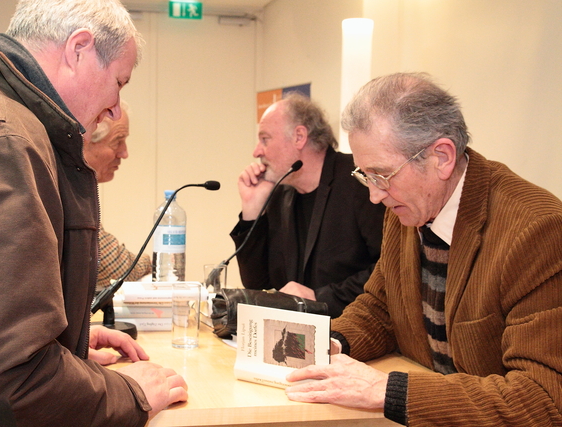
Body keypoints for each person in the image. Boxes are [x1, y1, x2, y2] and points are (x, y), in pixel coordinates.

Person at [0, 1, 187, 426]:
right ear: (78, 49)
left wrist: (66, 342)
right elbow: (3, 381)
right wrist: (130, 392)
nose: (116, 108)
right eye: (119, 82)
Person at [284, 72, 562, 425]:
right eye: (365, 175)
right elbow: (381, 307)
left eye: (382, 175)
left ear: (442, 157)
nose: (374, 195)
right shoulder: (406, 208)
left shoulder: (537, 231)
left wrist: (388, 390)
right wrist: (330, 344)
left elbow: (542, 398)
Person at [230, 91, 385, 318]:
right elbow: (257, 283)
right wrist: (252, 211)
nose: (257, 152)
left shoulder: (359, 181)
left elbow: (389, 270)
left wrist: (319, 298)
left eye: (265, 139)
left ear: (299, 137)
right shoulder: (281, 192)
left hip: (355, 327)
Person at [85, 102, 152, 292]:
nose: (124, 153)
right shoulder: (70, 188)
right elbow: (117, 268)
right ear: (86, 140)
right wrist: (152, 264)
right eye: (117, 141)